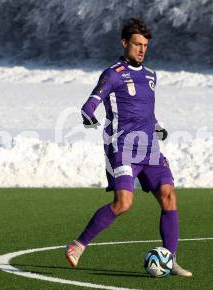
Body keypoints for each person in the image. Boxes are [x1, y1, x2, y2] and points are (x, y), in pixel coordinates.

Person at [65, 18, 192, 277]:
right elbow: (90, 103)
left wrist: (157, 125)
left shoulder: (151, 75)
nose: (142, 49)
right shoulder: (113, 74)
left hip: (150, 148)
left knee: (169, 196)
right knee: (123, 203)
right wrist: (88, 114)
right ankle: (78, 245)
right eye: (137, 44)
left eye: (145, 45)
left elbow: (144, 109)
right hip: (122, 147)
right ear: (125, 44)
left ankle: (170, 258)